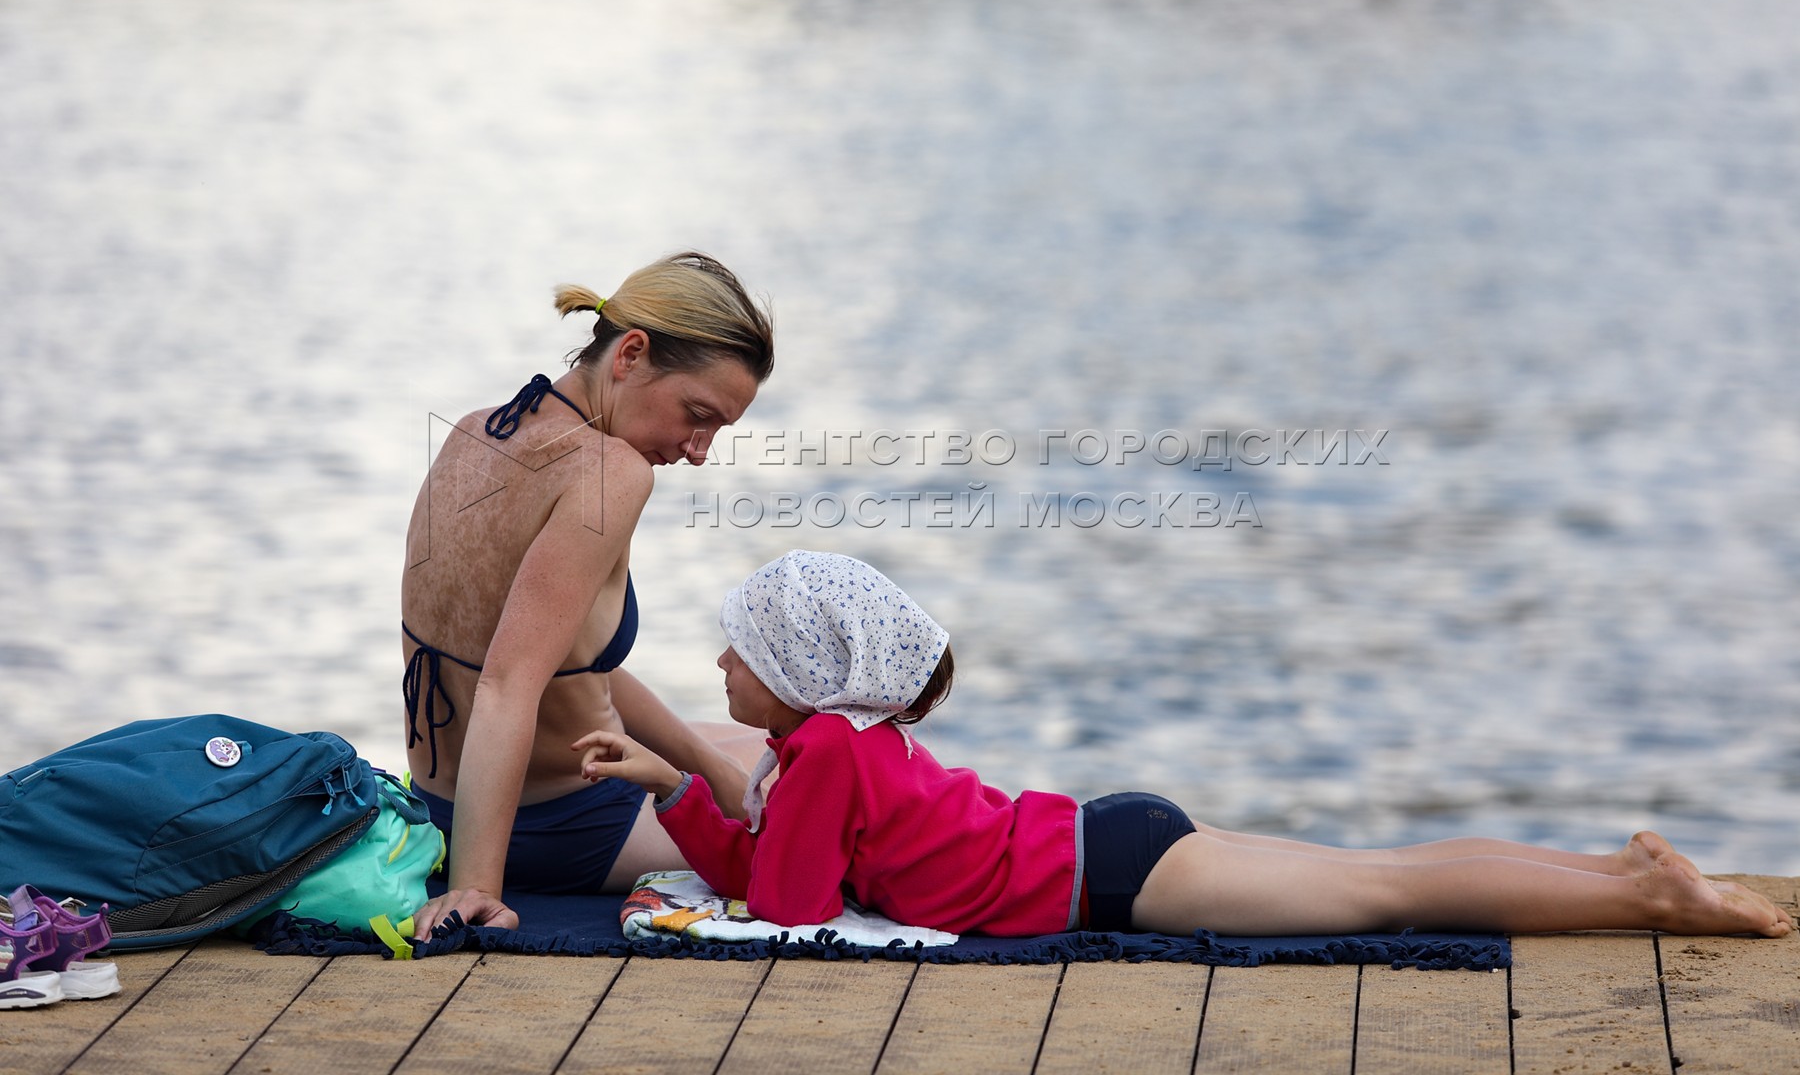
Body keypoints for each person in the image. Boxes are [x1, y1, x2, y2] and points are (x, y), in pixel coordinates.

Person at [575, 550, 1795, 939]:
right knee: (1380, 869)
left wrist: (692, 807)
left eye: (740, 652)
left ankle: (1644, 900)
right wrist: (675, 786)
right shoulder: (835, 746)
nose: (719, 667)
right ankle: (1615, 870)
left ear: (797, 671)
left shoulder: (825, 757)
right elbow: (784, 875)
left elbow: (788, 907)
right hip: (1109, 839)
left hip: (1111, 874)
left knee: (1387, 894)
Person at [403, 252, 774, 939]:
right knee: (846, 799)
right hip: (562, 827)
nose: (699, 451)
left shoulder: (475, 429)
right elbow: (507, 683)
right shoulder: (611, 472)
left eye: (718, 430)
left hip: (441, 806)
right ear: (630, 354)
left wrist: (716, 774)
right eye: (697, 415)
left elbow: (566, 666)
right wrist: (476, 888)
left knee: (776, 749)